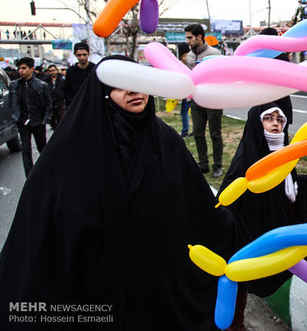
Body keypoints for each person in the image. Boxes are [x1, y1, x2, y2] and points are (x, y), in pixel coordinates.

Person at [0, 56, 245, 330]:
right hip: (93, 295)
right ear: (103, 93)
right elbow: (40, 232)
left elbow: (198, 208)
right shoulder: (69, 151)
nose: (133, 90)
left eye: (138, 82)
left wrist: (239, 222)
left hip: (158, 295)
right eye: (119, 85)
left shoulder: (167, 143)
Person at [219, 103, 307, 331]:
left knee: (305, 246)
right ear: (256, 123)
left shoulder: (285, 153)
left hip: (280, 226)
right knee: (239, 275)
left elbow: (285, 188)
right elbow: (231, 195)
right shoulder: (247, 158)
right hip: (251, 230)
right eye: (268, 118)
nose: (275, 123)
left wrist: (302, 183)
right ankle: (235, 325)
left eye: (280, 120)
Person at [185, 24, 224, 177]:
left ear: (199, 37)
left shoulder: (215, 53)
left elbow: (221, 75)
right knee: (198, 133)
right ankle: (203, 165)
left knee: (215, 134)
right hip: (196, 100)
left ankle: (217, 166)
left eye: (189, 37)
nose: (187, 41)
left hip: (213, 99)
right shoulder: (189, 56)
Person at [8, 57, 52, 176]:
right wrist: (16, 119)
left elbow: (48, 104)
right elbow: (12, 103)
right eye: (19, 68)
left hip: (38, 121)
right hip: (22, 122)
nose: (21, 71)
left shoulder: (41, 85)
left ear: (31, 69)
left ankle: (46, 173)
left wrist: (45, 120)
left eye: (24, 68)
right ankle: (30, 176)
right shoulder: (14, 85)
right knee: (26, 150)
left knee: (42, 148)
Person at [64, 42, 95, 106]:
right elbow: (67, 90)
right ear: (75, 55)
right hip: (75, 105)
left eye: (84, 54)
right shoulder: (71, 71)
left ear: (88, 54)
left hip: (92, 104)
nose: (82, 58)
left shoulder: (95, 69)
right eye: (79, 55)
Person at [177, 42, 192, 138]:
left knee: (184, 111)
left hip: (187, 88)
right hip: (190, 88)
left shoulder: (184, 59)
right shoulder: (192, 56)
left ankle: (185, 131)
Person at [45, 64, 66, 130]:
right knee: (52, 120)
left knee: (61, 119)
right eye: (50, 71)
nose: (52, 72)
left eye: (53, 70)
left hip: (60, 102)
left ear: (56, 70)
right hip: (50, 103)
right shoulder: (46, 81)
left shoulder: (62, 80)